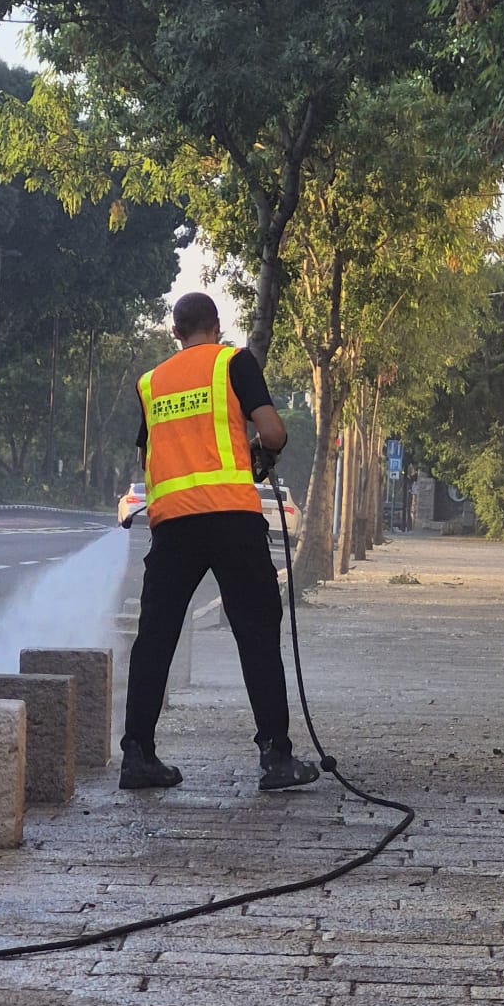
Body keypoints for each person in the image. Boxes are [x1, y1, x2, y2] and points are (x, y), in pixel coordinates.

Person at [118, 293, 319, 795]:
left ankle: (137, 755)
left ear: (175, 332)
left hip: (173, 525)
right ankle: (275, 757)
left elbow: (150, 452)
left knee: (155, 639)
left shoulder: (151, 382)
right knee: (255, 632)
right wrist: (257, 449)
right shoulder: (234, 362)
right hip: (231, 519)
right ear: (217, 326)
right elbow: (272, 431)